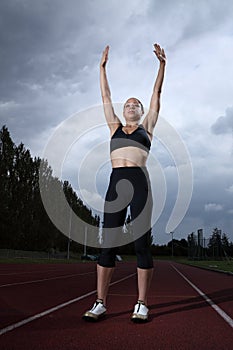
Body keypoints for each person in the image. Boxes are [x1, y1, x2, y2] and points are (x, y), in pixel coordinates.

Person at [82, 43, 166, 323]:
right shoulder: (114, 126)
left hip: (139, 183)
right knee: (109, 244)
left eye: (136, 105)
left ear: (142, 112)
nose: (131, 106)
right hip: (116, 182)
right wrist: (102, 68)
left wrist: (162, 66)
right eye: (127, 104)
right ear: (123, 110)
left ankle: (141, 303)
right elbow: (105, 95)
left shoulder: (148, 129)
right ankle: (100, 302)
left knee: (142, 244)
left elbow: (156, 94)